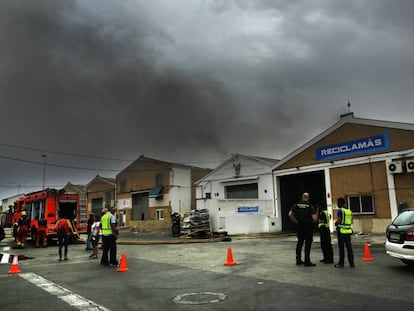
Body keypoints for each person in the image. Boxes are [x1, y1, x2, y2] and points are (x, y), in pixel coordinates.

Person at [288, 192, 317, 266]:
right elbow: (314, 218)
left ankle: (298, 260)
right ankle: (307, 261)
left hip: (300, 226)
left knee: (299, 243)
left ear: (302, 197)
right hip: (308, 227)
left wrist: (296, 222)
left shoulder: (296, 205)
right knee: (308, 244)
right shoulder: (310, 206)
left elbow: (290, 214)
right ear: (308, 198)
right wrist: (313, 223)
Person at [334, 197, 355, 268]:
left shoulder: (340, 211)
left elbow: (339, 220)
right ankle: (351, 263)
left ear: (340, 203)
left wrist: (335, 223)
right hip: (348, 231)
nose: (337, 204)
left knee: (341, 248)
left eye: (337, 203)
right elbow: (351, 221)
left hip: (341, 231)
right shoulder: (349, 211)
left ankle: (341, 263)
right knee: (349, 248)